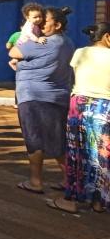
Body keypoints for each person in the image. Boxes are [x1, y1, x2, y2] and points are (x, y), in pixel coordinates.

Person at [10, 6, 75, 195]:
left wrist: (27, 35)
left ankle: (35, 181)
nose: (39, 24)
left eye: (43, 21)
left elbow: (14, 52)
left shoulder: (44, 43)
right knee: (57, 141)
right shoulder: (67, 42)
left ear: (58, 24)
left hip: (33, 96)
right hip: (58, 96)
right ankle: (68, 180)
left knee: (34, 139)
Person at [47, 22, 110, 213]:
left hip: (79, 105)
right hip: (104, 106)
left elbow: (78, 77)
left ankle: (75, 197)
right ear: (107, 37)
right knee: (102, 153)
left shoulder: (80, 53)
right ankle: (99, 201)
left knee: (79, 152)